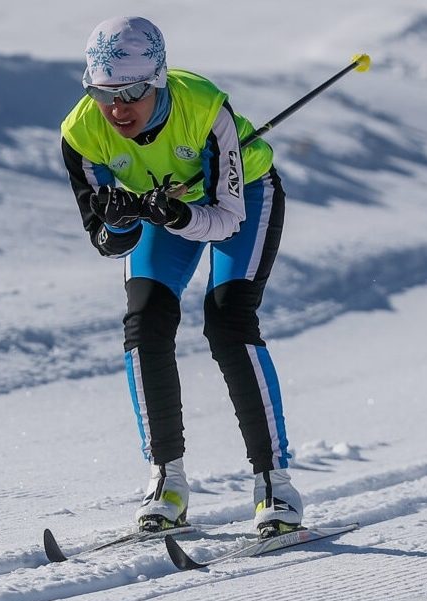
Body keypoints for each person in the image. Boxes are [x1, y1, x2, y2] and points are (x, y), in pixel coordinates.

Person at [60, 16, 302, 538]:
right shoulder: (81, 133)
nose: (117, 109)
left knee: (228, 320)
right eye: (103, 94)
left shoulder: (204, 109)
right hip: (161, 211)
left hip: (240, 198)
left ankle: (273, 483)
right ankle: (166, 480)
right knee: (144, 321)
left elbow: (227, 219)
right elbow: (106, 243)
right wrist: (120, 221)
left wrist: (173, 216)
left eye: (130, 92)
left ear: (159, 81)